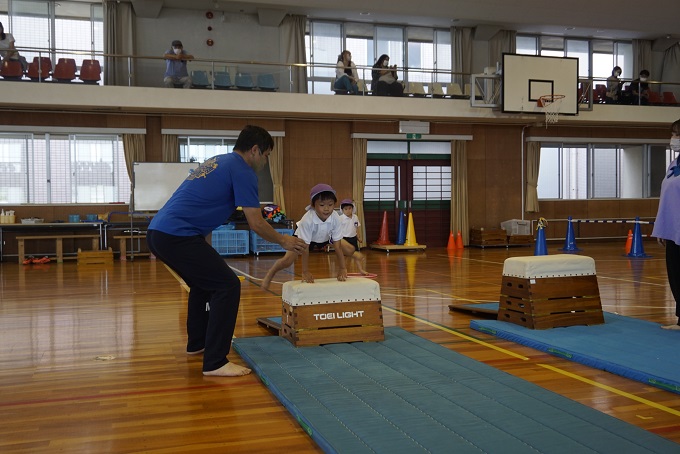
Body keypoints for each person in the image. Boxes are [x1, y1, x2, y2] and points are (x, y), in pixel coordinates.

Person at [146, 125, 307, 376]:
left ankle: (197, 344)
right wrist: (284, 241)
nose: (266, 162)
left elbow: (203, 210)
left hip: (159, 233)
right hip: (177, 235)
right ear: (255, 150)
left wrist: (207, 255)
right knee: (228, 286)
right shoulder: (243, 171)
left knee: (203, 285)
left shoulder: (217, 161)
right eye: (266, 155)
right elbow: (256, 222)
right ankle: (215, 361)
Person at [262, 184, 348, 290]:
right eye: (322, 205)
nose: (326, 209)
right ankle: (271, 273)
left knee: (349, 248)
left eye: (330, 205)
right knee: (287, 261)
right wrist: (305, 271)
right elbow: (305, 248)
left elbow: (337, 245)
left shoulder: (336, 218)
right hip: (303, 240)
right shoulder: (307, 220)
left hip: (325, 238)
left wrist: (342, 268)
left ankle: (356, 262)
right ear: (313, 205)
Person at [653, 119, 680, 330]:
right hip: (673, 230)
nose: (673, 139)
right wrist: (662, 227)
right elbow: (667, 198)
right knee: (675, 274)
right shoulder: (674, 165)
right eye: (673, 134)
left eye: (677, 134)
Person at [339, 198, 368, 274]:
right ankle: (343, 270)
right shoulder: (340, 218)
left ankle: (361, 270)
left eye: (350, 208)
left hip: (353, 239)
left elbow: (356, 228)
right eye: (346, 209)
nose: (348, 210)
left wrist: (358, 237)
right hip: (344, 240)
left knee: (356, 256)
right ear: (342, 210)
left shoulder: (355, 217)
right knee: (344, 257)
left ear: (352, 208)